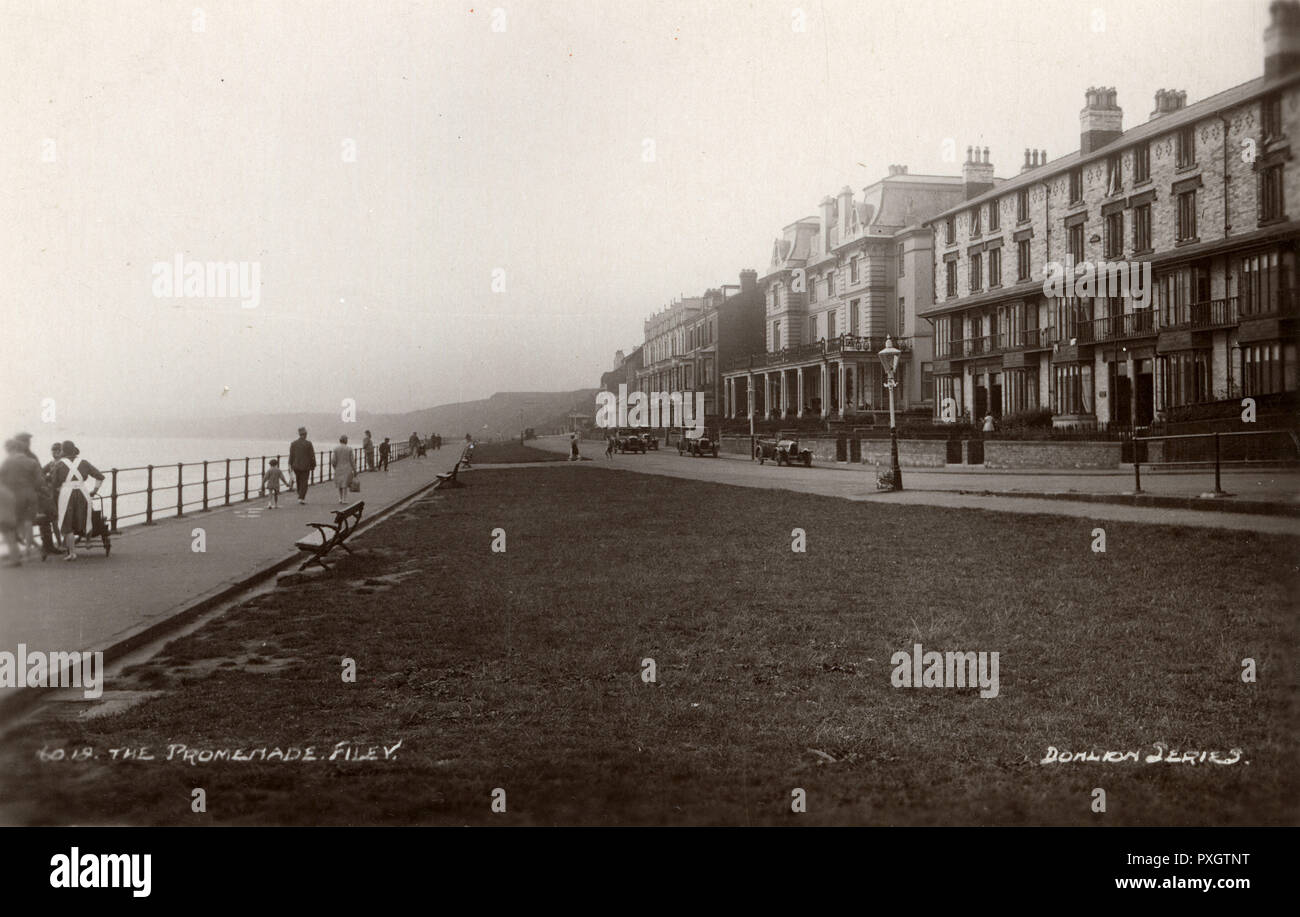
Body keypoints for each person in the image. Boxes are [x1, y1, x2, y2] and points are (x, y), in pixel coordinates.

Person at [50, 440, 104, 561]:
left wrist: (60, 489)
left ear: (63, 451)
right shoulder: (83, 462)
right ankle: (88, 542)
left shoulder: (59, 464)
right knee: (86, 517)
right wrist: (94, 490)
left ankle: (72, 553)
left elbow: (54, 483)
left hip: (66, 494)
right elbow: (100, 476)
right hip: (83, 493)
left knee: (66, 521)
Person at [1, 439, 44, 564]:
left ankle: (17, 553)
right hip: (31, 495)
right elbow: (40, 481)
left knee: (16, 525)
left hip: (15, 496)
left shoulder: (8, 462)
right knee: (28, 523)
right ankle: (29, 551)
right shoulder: (32, 462)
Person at [289, 427, 316, 504]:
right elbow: (312, 455)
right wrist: (313, 465)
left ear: (299, 434)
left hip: (296, 466)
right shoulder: (308, 444)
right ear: (305, 434)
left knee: (298, 481)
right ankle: (301, 497)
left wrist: (290, 464)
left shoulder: (293, 444)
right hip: (306, 466)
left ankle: (299, 495)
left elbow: (291, 455)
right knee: (304, 482)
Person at [331, 435, 356, 504]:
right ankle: (345, 499)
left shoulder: (336, 449)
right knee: (345, 484)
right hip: (347, 468)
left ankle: (340, 498)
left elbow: (333, 460)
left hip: (338, 468)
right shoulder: (349, 449)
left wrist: (334, 467)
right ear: (346, 441)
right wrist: (354, 469)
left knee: (339, 483)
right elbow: (352, 460)